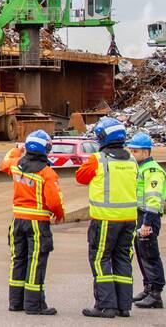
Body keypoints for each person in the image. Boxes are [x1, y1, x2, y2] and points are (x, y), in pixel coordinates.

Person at [76, 117, 139, 318]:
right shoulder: (131, 159)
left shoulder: (98, 159)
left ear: (102, 137)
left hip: (105, 219)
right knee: (122, 259)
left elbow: (80, 177)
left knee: (100, 259)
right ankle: (123, 306)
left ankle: (105, 305)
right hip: (129, 219)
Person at [0, 130, 64, 316]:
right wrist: (59, 214)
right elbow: (54, 201)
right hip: (37, 223)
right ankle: (34, 305)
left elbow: (4, 162)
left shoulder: (16, 165)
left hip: (18, 221)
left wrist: (17, 150)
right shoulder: (47, 172)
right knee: (35, 262)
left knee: (17, 260)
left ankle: (15, 302)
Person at [127, 132, 165, 309]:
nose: (132, 154)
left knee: (149, 254)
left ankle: (156, 293)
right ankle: (148, 288)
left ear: (146, 152)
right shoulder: (140, 168)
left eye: (135, 151)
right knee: (142, 253)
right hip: (140, 215)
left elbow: (153, 198)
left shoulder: (152, 171)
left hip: (148, 216)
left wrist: (147, 224)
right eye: (131, 150)